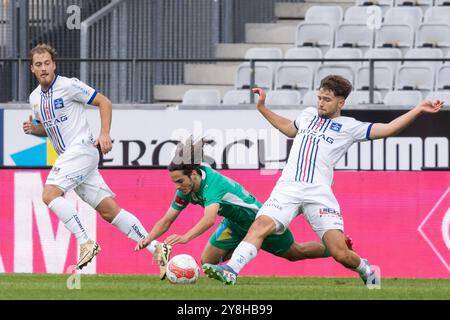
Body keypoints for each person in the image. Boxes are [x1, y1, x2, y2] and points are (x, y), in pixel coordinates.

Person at [202, 75, 444, 286]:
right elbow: (288, 128)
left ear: (341, 102)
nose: (321, 103)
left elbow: (388, 128)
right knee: (260, 225)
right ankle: (232, 269)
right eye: (319, 97)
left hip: (318, 194)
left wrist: (419, 109)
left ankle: (367, 270)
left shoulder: (349, 127)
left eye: (327, 99)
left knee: (340, 253)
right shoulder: (307, 115)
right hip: (287, 188)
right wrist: (262, 108)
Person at [23, 43, 171, 274]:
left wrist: (104, 133)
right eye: (38, 64)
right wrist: (35, 129)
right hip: (72, 159)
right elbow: (50, 129)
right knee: (109, 211)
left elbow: (104, 102)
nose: (44, 68)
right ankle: (157, 248)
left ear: (54, 65)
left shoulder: (69, 85)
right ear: (32, 68)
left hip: (81, 149)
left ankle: (85, 242)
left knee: (50, 194)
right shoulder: (34, 98)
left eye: (47, 63)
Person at [135, 137, 354, 270]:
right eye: (174, 183)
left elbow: (209, 218)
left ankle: (335, 248)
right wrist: (148, 239)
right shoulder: (186, 188)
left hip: (258, 221)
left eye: (179, 181)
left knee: (295, 254)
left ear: (193, 174)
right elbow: (167, 220)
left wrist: (185, 238)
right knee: (207, 262)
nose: (177, 187)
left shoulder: (213, 184)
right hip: (233, 223)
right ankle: (230, 269)